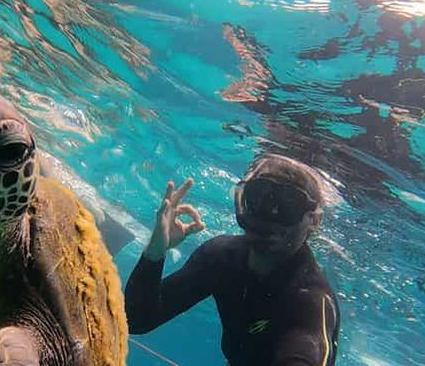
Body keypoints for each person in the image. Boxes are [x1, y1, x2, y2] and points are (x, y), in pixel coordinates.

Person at [125, 153, 340, 365]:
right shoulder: (221, 257)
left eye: (289, 205)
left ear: (314, 220)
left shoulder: (312, 301)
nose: (270, 216)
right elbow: (136, 320)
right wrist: (155, 252)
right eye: (259, 198)